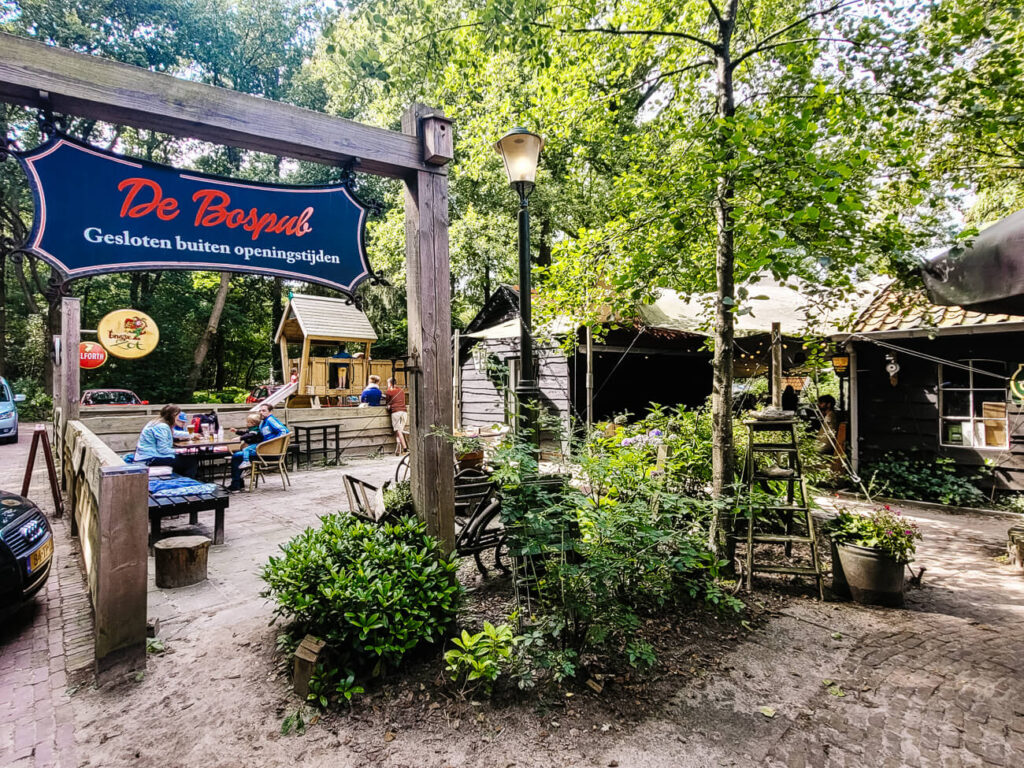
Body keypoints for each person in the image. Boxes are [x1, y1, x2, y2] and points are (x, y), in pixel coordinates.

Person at [226, 403, 289, 492]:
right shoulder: (263, 422)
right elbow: (253, 433)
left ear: (270, 412)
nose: (261, 412)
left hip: (270, 452)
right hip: (263, 450)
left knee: (237, 456)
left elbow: (284, 431)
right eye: (260, 410)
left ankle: (236, 485)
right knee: (239, 454)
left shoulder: (270, 420)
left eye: (264, 411)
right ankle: (238, 484)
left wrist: (273, 444)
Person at [133, 404, 198, 478]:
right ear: (172, 416)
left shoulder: (157, 422)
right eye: (178, 415)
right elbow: (163, 450)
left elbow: (174, 433)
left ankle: (180, 479)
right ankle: (187, 483)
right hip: (149, 459)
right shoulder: (162, 426)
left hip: (144, 456)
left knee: (184, 459)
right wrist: (181, 451)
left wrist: (192, 435)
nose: (179, 417)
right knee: (190, 461)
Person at [385, 377, 408, 454]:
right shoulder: (401, 390)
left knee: (398, 431)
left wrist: (389, 407)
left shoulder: (389, 391)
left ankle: (405, 448)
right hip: (404, 411)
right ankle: (398, 445)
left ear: (390, 383)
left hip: (396, 412)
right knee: (399, 430)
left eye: (388, 383)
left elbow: (388, 403)